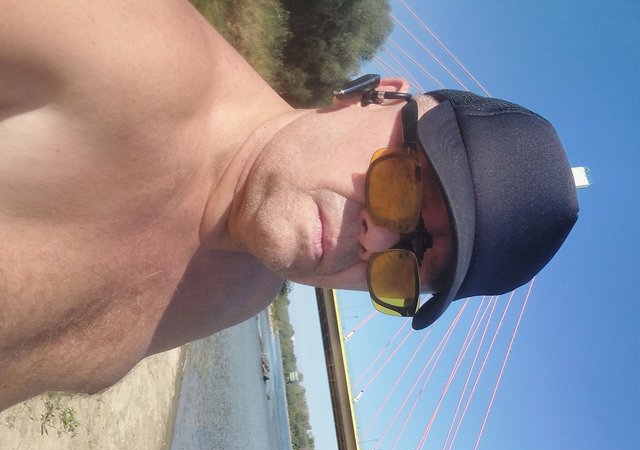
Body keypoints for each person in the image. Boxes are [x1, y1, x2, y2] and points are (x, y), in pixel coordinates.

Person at [0, 1, 578, 411]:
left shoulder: (243, 293)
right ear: (379, 95)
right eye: (404, 186)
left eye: (404, 267)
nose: (374, 242)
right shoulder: (118, 48)